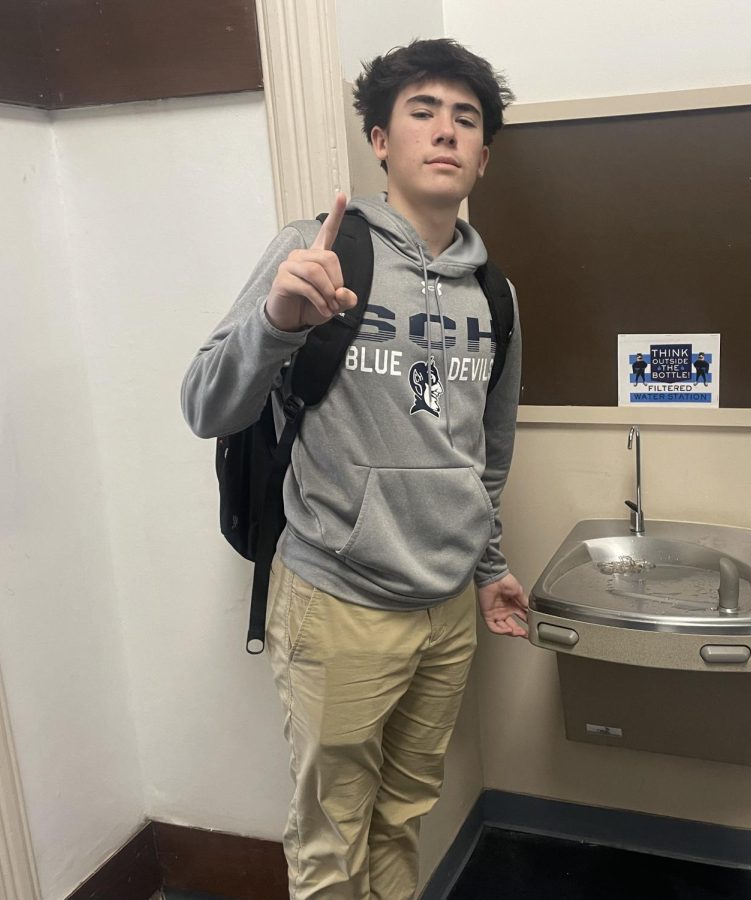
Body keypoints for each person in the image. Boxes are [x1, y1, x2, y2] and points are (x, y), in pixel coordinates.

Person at [180, 38, 526, 900]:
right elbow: (205, 407)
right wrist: (277, 321)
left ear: (483, 156)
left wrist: (488, 571)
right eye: (422, 112)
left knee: (403, 815)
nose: (444, 131)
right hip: (337, 601)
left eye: (465, 118)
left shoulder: (496, 294)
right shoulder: (321, 250)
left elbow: (485, 454)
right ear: (379, 138)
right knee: (329, 840)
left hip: (446, 611)